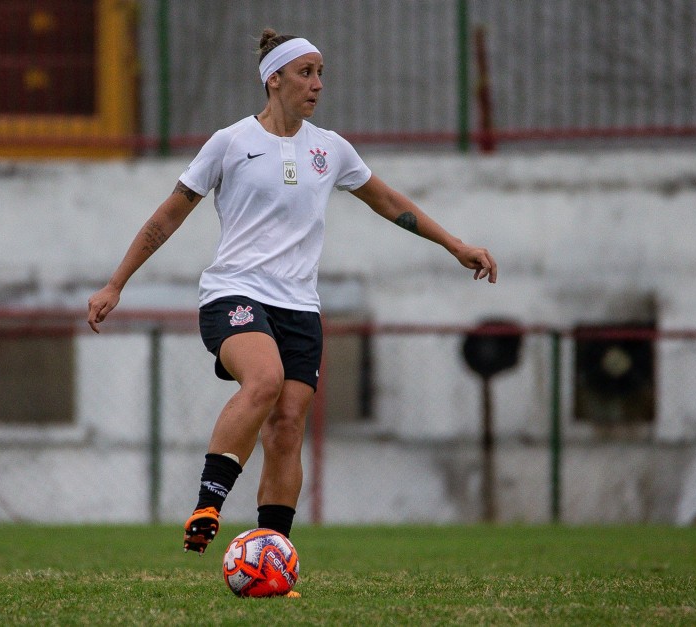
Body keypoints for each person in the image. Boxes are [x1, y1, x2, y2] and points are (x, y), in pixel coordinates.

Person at [87, 28, 497, 555]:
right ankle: (208, 503)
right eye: (306, 73)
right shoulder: (230, 142)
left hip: (300, 306)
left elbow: (387, 200)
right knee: (264, 380)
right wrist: (116, 283)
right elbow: (168, 215)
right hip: (233, 293)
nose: (318, 84)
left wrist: (454, 244)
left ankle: (270, 555)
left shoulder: (331, 149)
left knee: (286, 426)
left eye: (321, 73)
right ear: (273, 79)